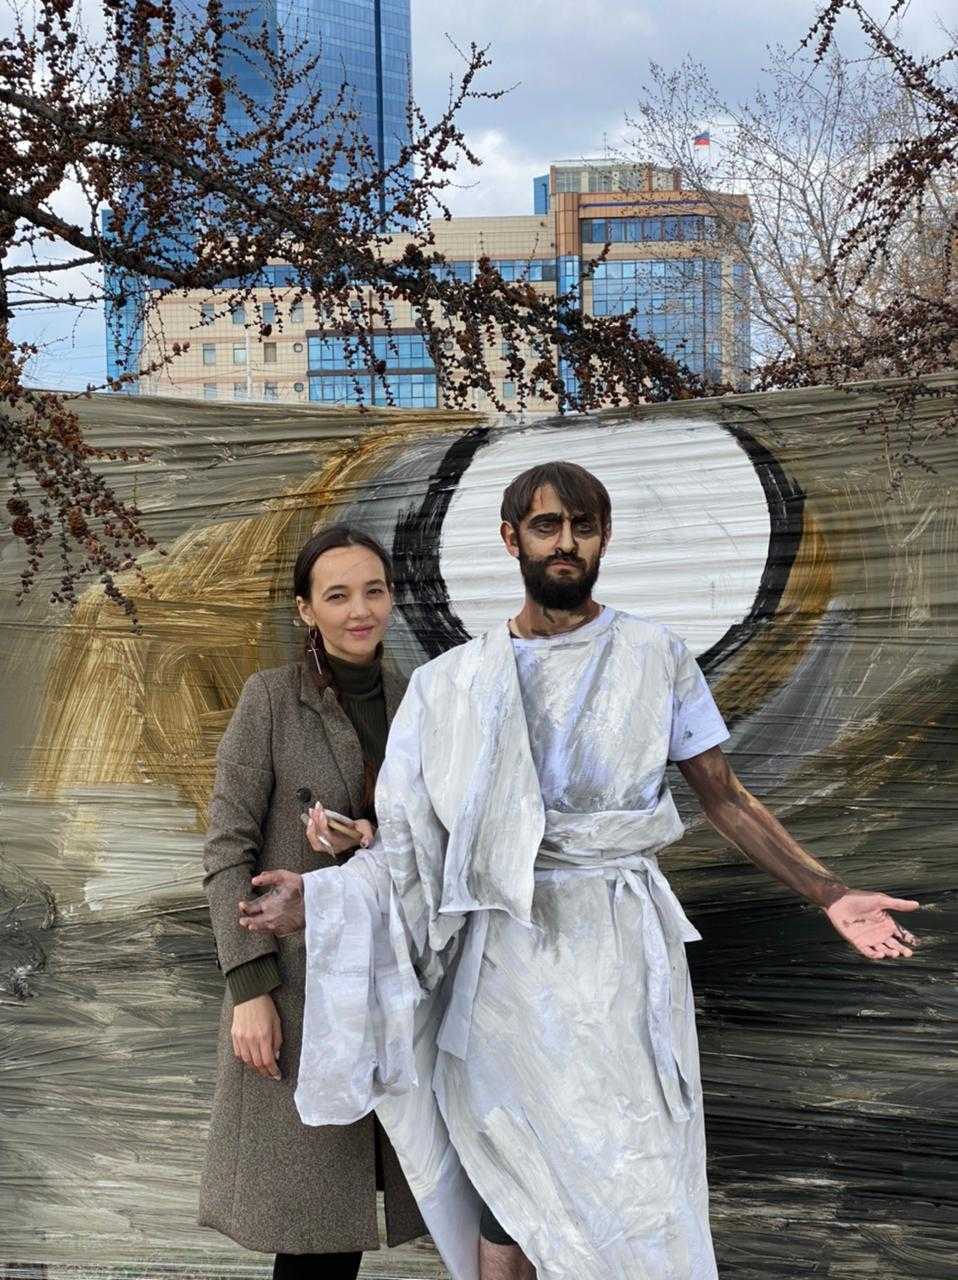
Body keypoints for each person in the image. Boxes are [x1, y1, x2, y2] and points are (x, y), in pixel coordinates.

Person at [238, 463, 919, 1280]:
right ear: (510, 539)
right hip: (504, 970)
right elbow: (413, 850)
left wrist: (828, 891)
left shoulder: (656, 657)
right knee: (510, 1188)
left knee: (635, 1174)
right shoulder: (451, 686)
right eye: (546, 525)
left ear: (604, 538)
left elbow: (726, 797)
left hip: (621, 960)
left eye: (583, 526)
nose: (566, 542)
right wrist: (320, 898)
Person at [199, 525, 425, 1280]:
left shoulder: (420, 701)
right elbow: (226, 850)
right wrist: (250, 990)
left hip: (393, 985)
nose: (360, 611)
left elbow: (435, 840)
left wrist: (368, 837)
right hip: (296, 996)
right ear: (306, 609)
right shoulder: (270, 699)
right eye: (337, 595)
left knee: (367, 1217)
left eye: (374, 590)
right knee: (312, 1234)